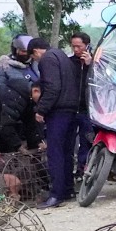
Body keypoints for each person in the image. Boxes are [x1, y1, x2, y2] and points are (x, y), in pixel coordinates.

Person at [31, 37, 87, 208]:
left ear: (35, 52)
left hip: (58, 111)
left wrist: (41, 110)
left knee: (55, 152)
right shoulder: (62, 56)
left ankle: (56, 194)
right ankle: (68, 189)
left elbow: (52, 87)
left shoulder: (47, 59)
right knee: (67, 151)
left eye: (33, 58)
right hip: (72, 110)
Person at [68, 33, 96, 180]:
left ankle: (82, 169)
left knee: (86, 140)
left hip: (87, 109)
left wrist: (89, 66)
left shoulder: (95, 62)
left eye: (79, 46)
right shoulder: (69, 62)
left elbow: (99, 82)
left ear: (87, 45)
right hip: (71, 108)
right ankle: (70, 170)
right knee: (70, 141)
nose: (76, 49)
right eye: (73, 46)